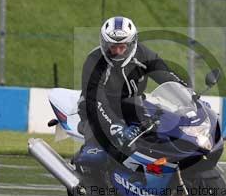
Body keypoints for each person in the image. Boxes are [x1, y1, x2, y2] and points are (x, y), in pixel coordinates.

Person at [75, 16, 188, 168]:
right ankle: (89, 180)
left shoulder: (143, 54)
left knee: (160, 132)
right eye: (112, 46)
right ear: (103, 42)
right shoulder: (94, 60)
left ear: (132, 43)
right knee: (98, 154)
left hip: (131, 105)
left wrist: (189, 96)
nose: (117, 51)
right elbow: (96, 100)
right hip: (94, 108)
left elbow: (166, 76)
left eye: (122, 46)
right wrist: (115, 127)